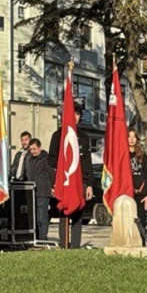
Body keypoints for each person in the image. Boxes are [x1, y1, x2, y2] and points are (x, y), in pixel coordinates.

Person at [49, 98, 95, 248]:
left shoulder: (84, 137)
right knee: (64, 213)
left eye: (77, 114)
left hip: (79, 182)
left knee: (78, 214)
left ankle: (75, 246)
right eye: (71, 114)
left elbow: (87, 163)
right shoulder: (57, 136)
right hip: (64, 181)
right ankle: (64, 245)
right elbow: (51, 160)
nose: (74, 117)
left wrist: (89, 185)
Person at [24, 137, 54, 241]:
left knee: (42, 217)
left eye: (34, 149)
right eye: (31, 149)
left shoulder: (45, 158)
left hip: (42, 192)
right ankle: (35, 238)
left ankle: (42, 238)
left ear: (39, 147)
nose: (32, 152)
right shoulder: (30, 159)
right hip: (32, 193)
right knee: (34, 217)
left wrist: (53, 187)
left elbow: (51, 173)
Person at [128, 130, 147, 232]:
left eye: (134, 137)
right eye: (129, 136)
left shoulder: (143, 156)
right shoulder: (123, 155)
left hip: (141, 195)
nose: (131, 139)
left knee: (141, 226)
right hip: (127, 195)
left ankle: (141, 246)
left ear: (137, 139)